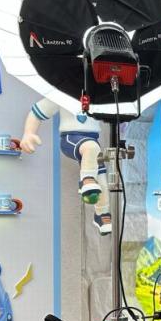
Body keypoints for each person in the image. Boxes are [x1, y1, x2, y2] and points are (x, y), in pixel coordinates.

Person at [20, 97, 112, 234]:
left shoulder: (98, 96)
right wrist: (29, 133)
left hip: (93, 141)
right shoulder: (63, 94)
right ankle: (87, 180)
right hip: (71, 138)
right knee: (91, 148)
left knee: (102, 179)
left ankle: (101, 214)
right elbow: (37, 111)